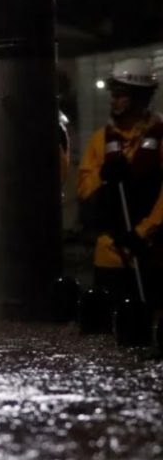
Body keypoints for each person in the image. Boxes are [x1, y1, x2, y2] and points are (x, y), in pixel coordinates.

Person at [77, 57, 163, 313]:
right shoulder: (101, 140)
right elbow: (84, 189)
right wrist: (104, 175)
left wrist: (142, 233)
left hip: (151, 253)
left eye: (121, 94)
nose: (114, 99)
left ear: (141, 97)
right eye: (113, 93)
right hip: (108, 254)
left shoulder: (160, 137)